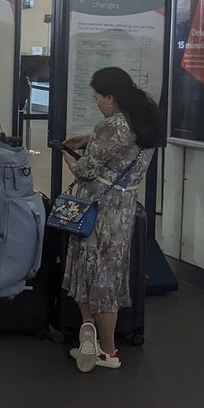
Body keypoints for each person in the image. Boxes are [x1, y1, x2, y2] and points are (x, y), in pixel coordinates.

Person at [60, 67, 161, 373]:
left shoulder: (111, 126)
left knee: (86, 270)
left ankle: (99, 340)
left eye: (98, 97)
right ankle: (104, 347)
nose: (96, 103)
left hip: (97, 208)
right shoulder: (145, 119)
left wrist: (67, 156)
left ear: (112, 98)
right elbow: (124, 142)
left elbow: (86, 171)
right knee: (109, 276)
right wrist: (90, 138)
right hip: (124, 208)